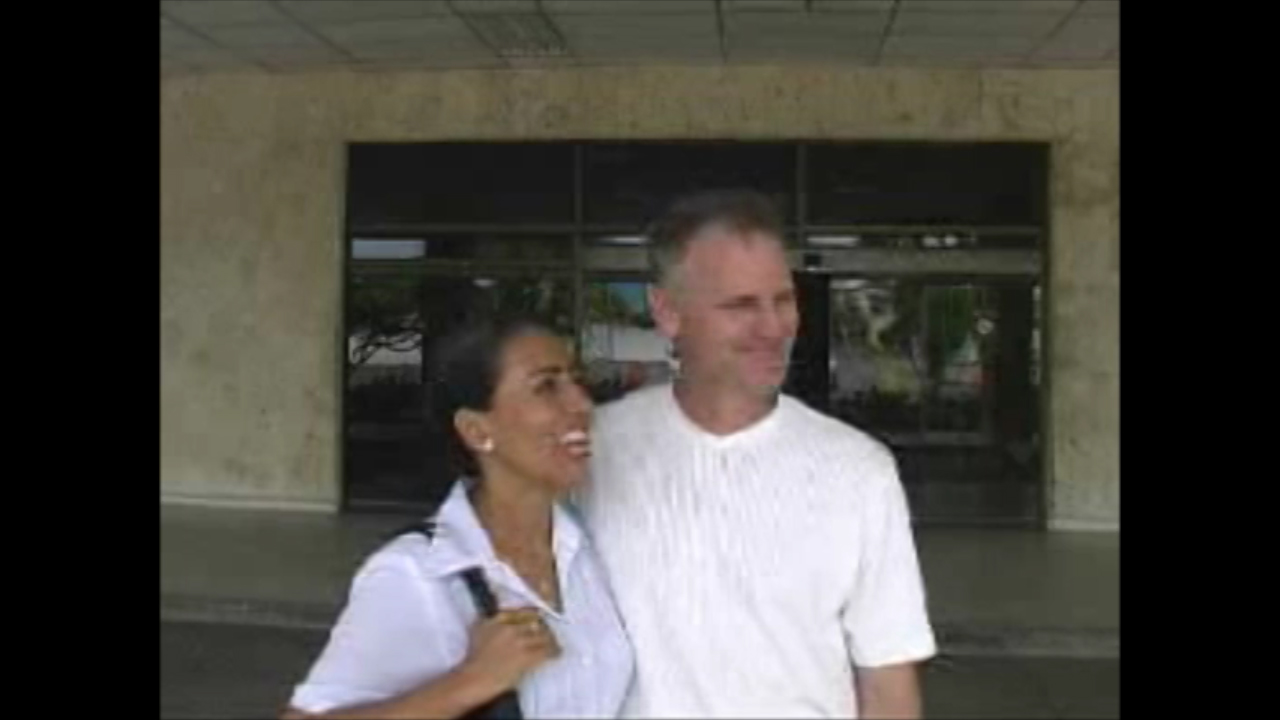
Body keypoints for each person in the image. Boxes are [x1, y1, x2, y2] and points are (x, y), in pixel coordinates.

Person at [576, 190, 936, 718]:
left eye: (783, 300)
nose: (773, 328)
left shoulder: (860, 470)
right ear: (668, 312)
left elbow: (887, 680)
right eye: (741, 305)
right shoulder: (590, 453)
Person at [283, 318, 634, 719]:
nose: (583, 404)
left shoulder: (591, 549)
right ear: (476, 430)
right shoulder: (417, 575)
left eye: (577, 381)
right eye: (546, 386)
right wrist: (470, 682)